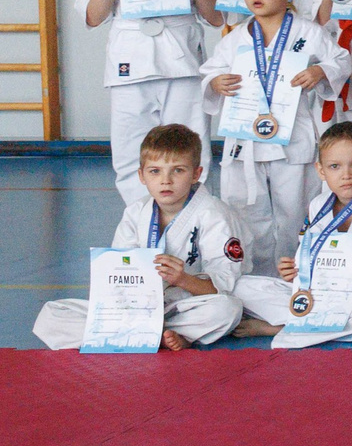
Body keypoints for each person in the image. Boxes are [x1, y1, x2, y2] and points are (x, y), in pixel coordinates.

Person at [81, 0, 223, 207]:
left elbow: (217, 17)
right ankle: (141, 223)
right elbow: (91, 16)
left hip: (183, 66)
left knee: (190, 145)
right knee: (131, 151)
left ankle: (193, 223)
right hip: (131, 67)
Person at [200, 0, 350, 274]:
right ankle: (253, 279)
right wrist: (216, 82)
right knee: (245, 213)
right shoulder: (236, 38)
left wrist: (321, 72)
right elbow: (209, 73)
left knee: (294, 213)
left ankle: (296, 275)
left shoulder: (309, 32)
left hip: (292, 140)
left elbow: (341, 61)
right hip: (244, 144)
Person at [34, 123, 244, 351]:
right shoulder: (135, 213)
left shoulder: (214, 214)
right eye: (155, 171)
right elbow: (117, 271)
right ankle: (154, 335)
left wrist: (182, 279)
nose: (166, 180)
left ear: (196, 174)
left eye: (178, 170)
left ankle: (136, 335)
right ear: (141, 176)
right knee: (50, 315)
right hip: (134, 307)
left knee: (227, 309)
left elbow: (224, 286)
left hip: (184, 305)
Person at [231, 121, 352, 347]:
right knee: (241, 287)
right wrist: (295, 270)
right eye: (334, 166)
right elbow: (309, 253)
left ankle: (281, 327)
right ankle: (312, 324)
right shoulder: (318, 205)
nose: (346, 175)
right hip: (323, 293)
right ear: (320, 170)